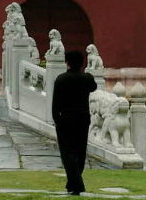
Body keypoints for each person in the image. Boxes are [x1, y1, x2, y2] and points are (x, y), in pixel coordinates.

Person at [52, 50, 97, 195]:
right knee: (80, 152)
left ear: (67, 62)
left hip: (65, 120)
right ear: (82, 63)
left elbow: (55, 104)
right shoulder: (86, 79)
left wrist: (57, 121)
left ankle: (77, 184)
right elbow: (94, 86)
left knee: (68, 153)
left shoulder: (61, 79)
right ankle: (73, 184)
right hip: (83, 119)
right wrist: (88, 74)